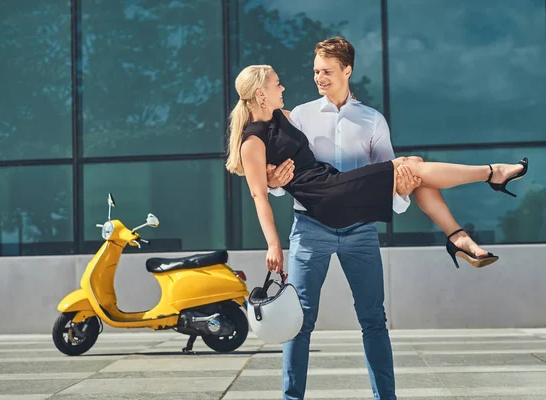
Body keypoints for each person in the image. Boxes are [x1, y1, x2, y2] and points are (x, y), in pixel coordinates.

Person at [225, 61, 528, 400]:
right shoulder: (252, 141)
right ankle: (490, 177)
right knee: (301, 320)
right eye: (277, 83)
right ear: (261, 93)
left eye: (325, 71)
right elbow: (258, 196)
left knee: (411, 174)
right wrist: (273, 244)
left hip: (337, 195)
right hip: (323, 204)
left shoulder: (287, 116)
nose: (284, 87)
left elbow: (282, 172)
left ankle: (459, 233)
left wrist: (275, 178)